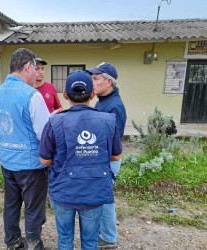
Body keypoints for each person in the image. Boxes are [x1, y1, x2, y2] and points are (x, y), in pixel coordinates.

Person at [40, 70, 122, 250]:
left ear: (65, 95)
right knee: (91, 242)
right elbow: (116, 156)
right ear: (92, 94)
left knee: (65, 240)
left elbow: (45, 161)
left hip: (63, 191)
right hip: (94, 192)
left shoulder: (54, 122)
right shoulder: (108, 121)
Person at [0, 48, 50, 250]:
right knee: (33, 207)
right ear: (27, 67)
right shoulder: (32, 95)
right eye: (35, 69)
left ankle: (12, 242)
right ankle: (34, 244)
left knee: (11, 204)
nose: (37, 74)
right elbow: (44, 134)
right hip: (31, 165)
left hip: (7, 160)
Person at [87, 62, 127, 249]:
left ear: (109, 81)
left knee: (104, 200)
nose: (92, 82)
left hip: (107, 161)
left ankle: (109, 238)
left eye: (96, 79)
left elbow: (113, 143)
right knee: (101, 199)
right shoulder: (103, 102)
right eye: (92, 79)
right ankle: (105, 234)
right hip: (101, 160)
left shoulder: (114, 107)